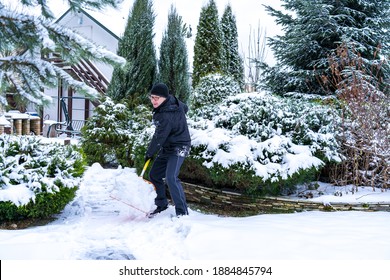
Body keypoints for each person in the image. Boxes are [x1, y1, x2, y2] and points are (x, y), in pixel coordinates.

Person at [145, 83, 191, 217]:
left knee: (171, 177)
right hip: (168, 146)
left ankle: (182, 213)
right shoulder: (172, 102)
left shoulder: (166, 114)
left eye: (157, 98)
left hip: (180, 146)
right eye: (152, 97)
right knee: (155, 174)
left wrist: (149, 153)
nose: (154, 101)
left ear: (164, 98)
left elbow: (159, 136)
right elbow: (185, 108)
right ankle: (161, 204)